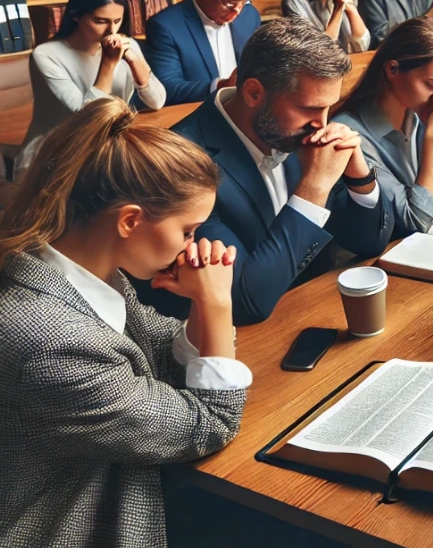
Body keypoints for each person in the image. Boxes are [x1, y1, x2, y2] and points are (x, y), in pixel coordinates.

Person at [0, 98, 249, 548]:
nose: (195, 245)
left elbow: (156, 359)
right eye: (188, 230)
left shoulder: (71, 270)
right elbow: (206, 423)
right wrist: (216, 301)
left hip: (81, 510)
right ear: (129, 220)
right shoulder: (49, 342)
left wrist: (203, 310)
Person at [165, 19, 393, 325]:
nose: (323, 125)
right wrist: (314, 187)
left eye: (329, 108)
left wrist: (359, 177)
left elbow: (368, 242)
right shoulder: (178, 163)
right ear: (254, 93)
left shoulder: (293, 132)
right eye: (310, 108)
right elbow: (246, 300)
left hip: (316, 313)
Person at [333, 18, 433, 238]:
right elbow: (416, 221)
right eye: (430, 84)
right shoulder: (349, 134)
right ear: (393, 69)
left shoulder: (423, 113)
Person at [18, 0, 167, 174]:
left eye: (117, 21)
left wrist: (133, 59)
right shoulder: (46, 55)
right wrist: (108, 63)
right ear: (76, 15)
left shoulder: (127, 44)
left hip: (109, 148)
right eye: (100, 21)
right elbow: (87, 118)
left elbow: (157, 101)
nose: (111, 31)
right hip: (56, 156)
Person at [144, 0, 260, 105]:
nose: (237, 11)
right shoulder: (165, 26)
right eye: (229, 2)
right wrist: (221, 86)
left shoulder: (250, 16)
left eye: (244, 1)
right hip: (199, 113)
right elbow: (166, 89)